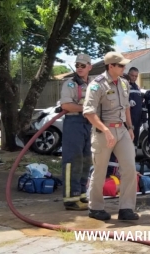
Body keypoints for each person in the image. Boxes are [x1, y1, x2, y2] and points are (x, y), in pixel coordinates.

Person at [83, 51, 139, 221]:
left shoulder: (124, 84)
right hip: (103, 132)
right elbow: (88, 112)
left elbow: (127, 107)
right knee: (100, 171)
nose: (124, 68)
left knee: (129, 168)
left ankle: (126, 208)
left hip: (122, 131)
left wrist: (130, 127)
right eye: (121, 65)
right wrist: (105, 130)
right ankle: (96, 207)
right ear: (111, 66)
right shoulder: (97, 85)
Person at [59, 54, 93, 211]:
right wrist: (86, 108)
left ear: (89, 67)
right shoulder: (70, 84)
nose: (79, 68)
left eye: (83, 65)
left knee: (86, 159)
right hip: (74, 123)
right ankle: (70, 198)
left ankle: (80, 194)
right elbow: (66, 105)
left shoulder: (92, 84)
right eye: (77, 65)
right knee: (73, 160)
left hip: (88, 123)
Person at [128, 67, 146, 153]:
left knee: (135, 142)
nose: (134, 78)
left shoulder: (137, 88)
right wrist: (128, 101)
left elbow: (142, 106)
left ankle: (133, 161)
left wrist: (144, 120)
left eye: (136, 76)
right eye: (132, 75)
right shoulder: (125, 86)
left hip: (137, 121)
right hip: (129, 121)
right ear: (129, 74)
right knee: (127, 142)